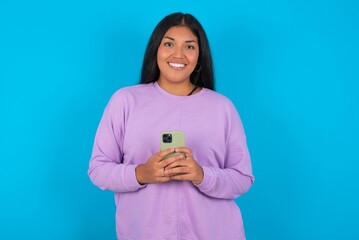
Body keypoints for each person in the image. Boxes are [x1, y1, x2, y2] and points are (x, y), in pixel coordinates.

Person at [88, 12, 254, 240]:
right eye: (169, 44)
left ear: (199, 56)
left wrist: (201, 174)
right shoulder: (125, 101)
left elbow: (243, 178)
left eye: (189, 46)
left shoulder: (222, 107)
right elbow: (98, 170)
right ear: (155, 49)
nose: (179, 54)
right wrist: (141, 173)